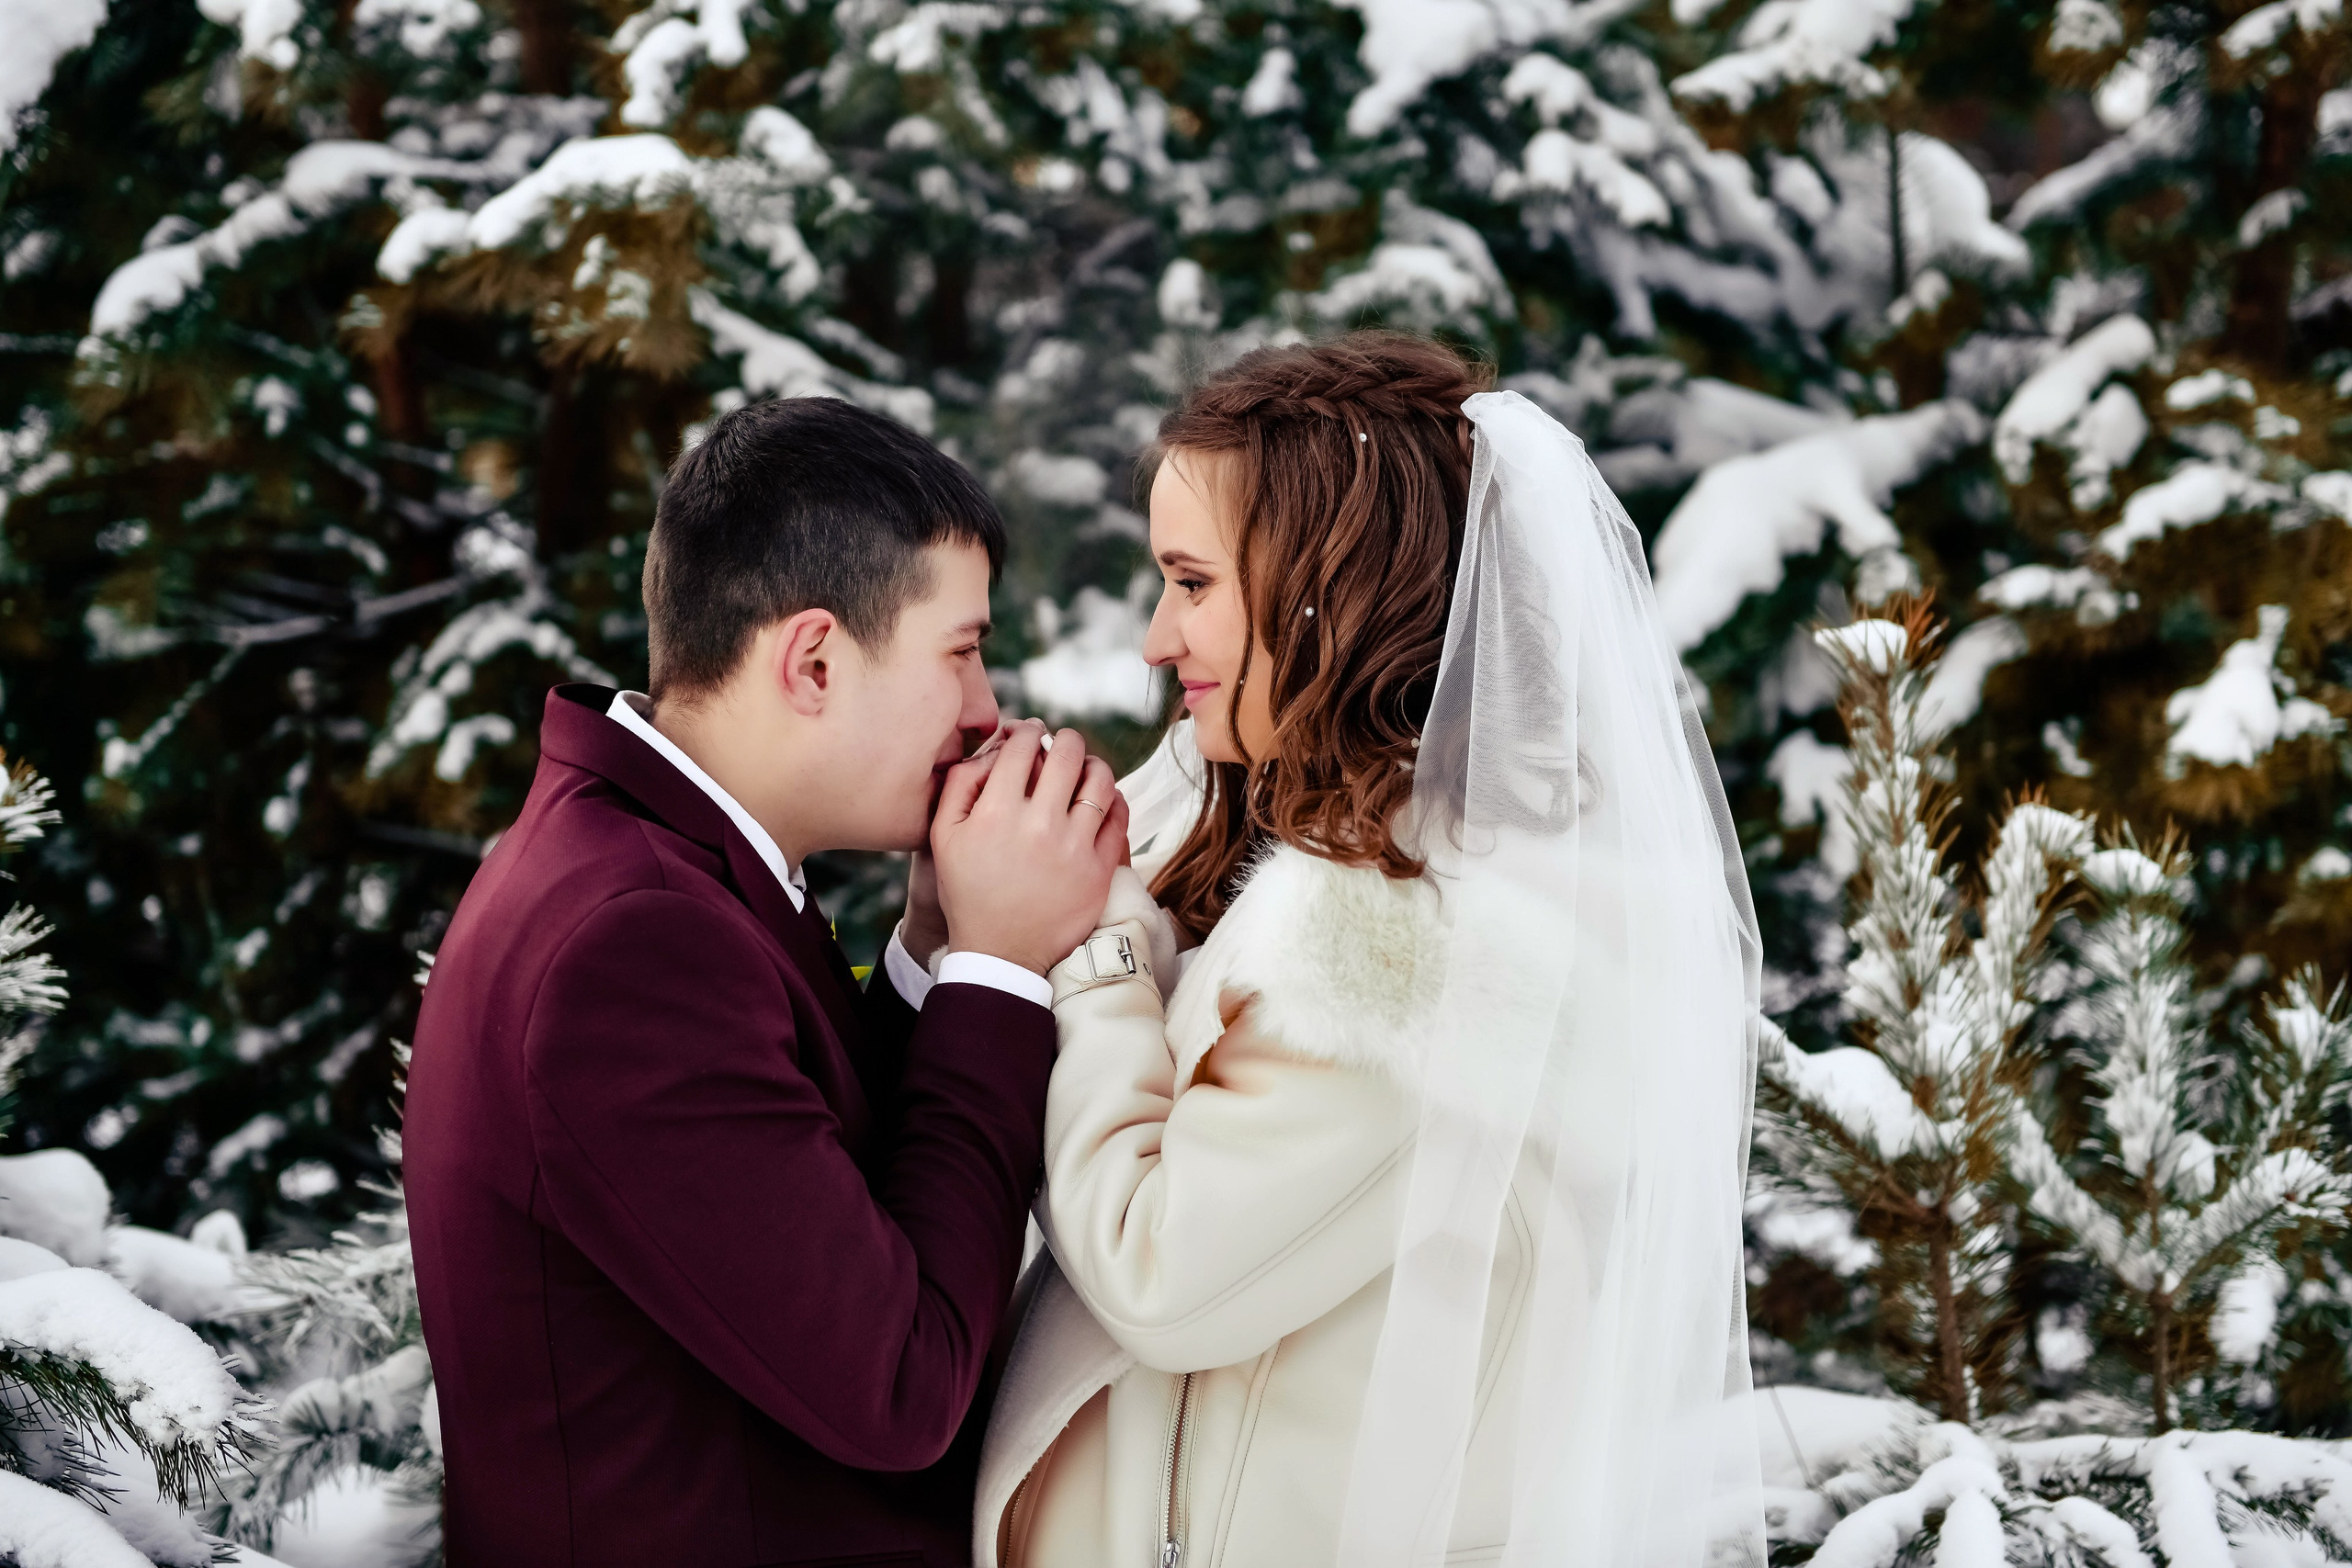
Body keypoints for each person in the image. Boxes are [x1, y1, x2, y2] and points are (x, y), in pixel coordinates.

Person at [977, 332, 1766, 1568]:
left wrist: (1091, 953)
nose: (1154, 637)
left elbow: (1160, 1271)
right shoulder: (1273, 838)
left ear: (1325, 595)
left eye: (1192, 582)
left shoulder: (1424, 942)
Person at [404, 395, 1128, 1567]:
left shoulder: (658, 864)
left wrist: (938, 954)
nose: (986, 708)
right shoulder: (627, 943)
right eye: (962, 650)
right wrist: (999, 976)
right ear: (815, 658)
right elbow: (898, 1387)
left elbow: (801, 1187)